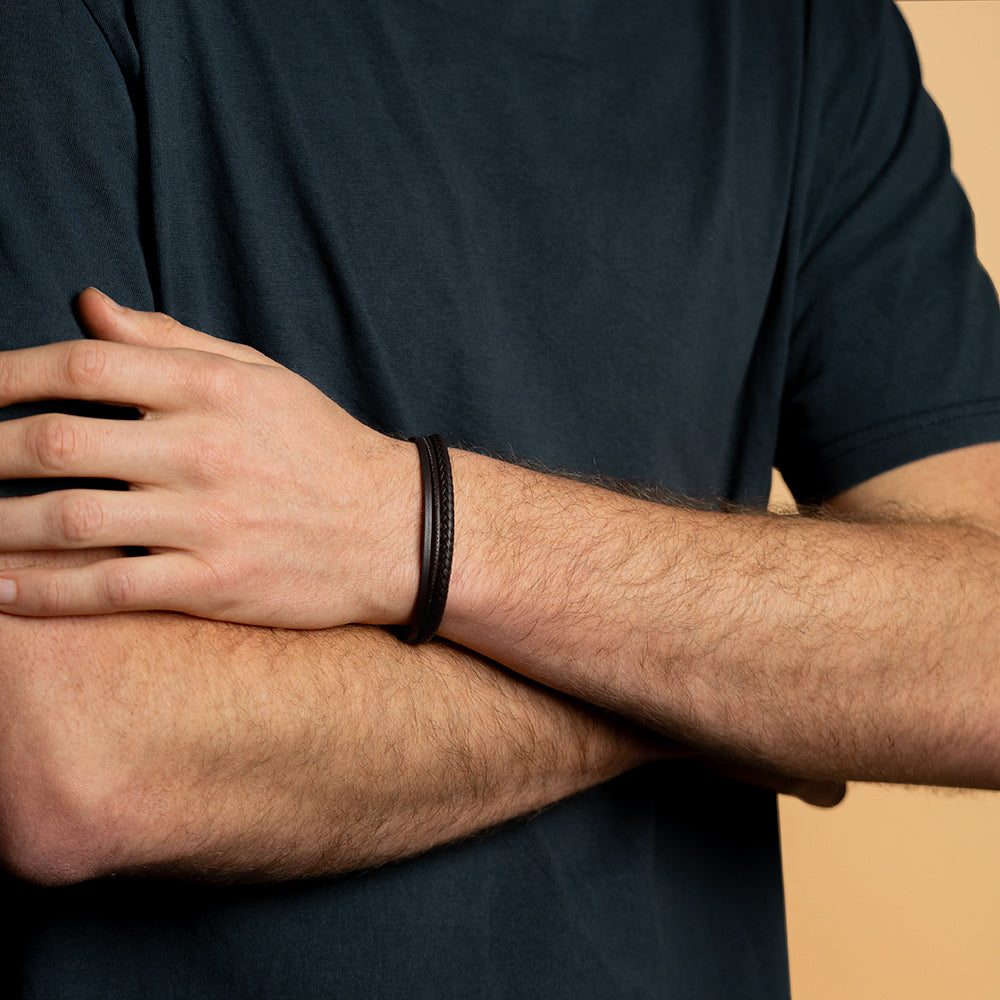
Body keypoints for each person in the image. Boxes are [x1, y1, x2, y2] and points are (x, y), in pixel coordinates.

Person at [1, 0, 999, 996]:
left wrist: (403, 518)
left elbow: (980, 654)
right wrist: (722, 684)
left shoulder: (810, 33)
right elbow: (80, 754)